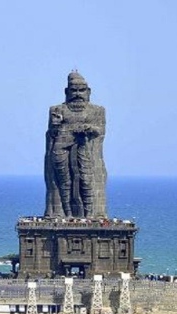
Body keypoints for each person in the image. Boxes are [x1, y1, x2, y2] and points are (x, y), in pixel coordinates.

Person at [44, 71, 108, 219]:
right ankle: (64, 214)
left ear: (88, 91)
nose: (78, 94)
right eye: (74, 90)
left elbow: (101, 131)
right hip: (60, 149)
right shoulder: (57, 109)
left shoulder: (97, 111)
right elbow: (51, 134)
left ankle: (91, 215)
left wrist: (90, 129)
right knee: (63, 184)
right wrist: (55, 126)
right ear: (67, 91)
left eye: (81, 90)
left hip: (86, 149)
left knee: (87, 181)